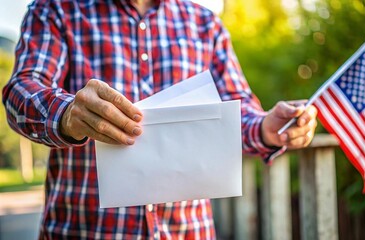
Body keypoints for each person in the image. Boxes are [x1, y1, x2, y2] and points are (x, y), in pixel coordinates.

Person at [2, 0, 318, 238]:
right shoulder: (55, 9)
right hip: (84, 231)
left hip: (188, 231)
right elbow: (22, 90)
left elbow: (237, 112)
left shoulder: (205, 23)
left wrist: (265, 128)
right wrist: (67, 113)